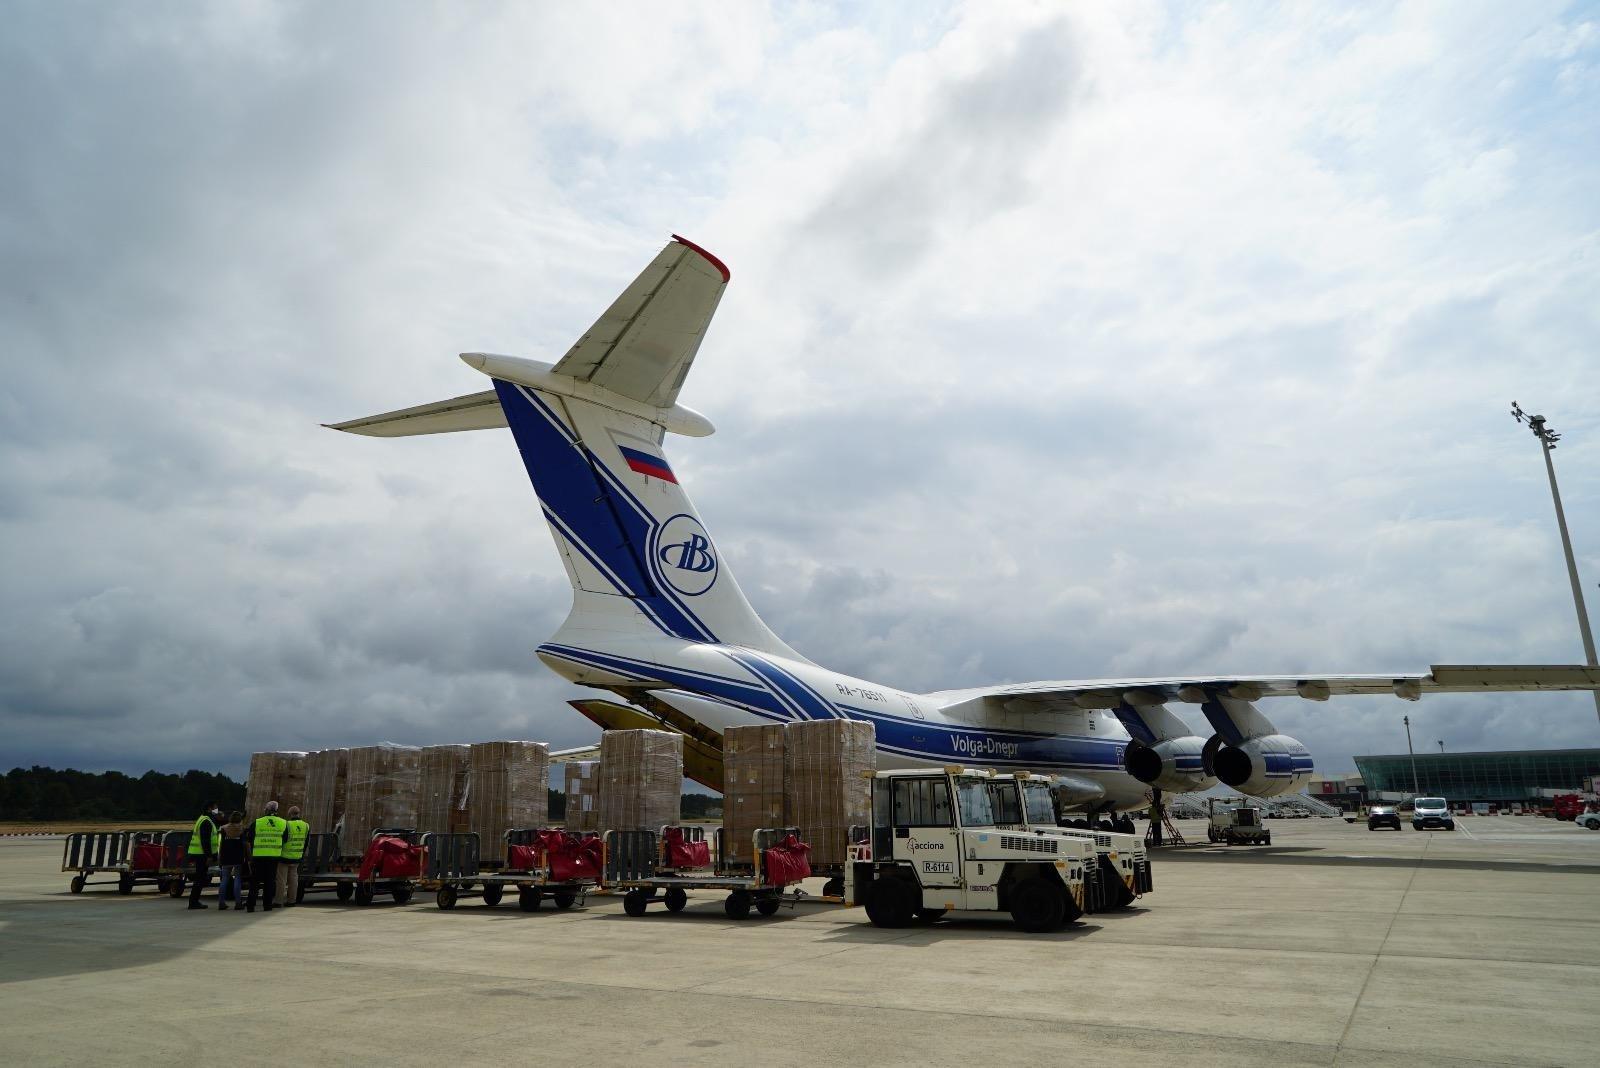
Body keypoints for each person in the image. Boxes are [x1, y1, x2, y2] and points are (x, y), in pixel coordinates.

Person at [243, 801, 287, 913]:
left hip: (258, 856)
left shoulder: (257, 822)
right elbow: (285, 839)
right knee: (270, 882)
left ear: (266, 810)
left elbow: (249, 839)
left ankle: (250, 906)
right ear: (276, 810)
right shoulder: (283, 823)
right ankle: (267, 905)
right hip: (273, 857)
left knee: (255, 882)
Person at [186, 801, 222, 910]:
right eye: (215, 808)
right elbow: (205, 840)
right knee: (200, 878)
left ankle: (194, 901)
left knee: (200, 878)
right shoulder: (206, 822)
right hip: (201, 854)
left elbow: (219, 821)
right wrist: (209, 856)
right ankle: (193, 902)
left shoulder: (205, 819)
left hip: (199, 853)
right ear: (209, 809)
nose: (217, 810)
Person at [276, 806, 309, 907]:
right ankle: (291, 901)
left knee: (281, 880)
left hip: (284, 856)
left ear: (289, 814)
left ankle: (278, 901)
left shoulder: (287, 824)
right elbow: (306, 842)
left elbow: (283, 840)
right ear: (299, 814)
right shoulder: (306, 825)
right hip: (297, 856)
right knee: (294, 879)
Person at [216, 811, 246, 911]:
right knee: (237, 879)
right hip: (238, 857)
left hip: (226, 857)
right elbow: (244, 844)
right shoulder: (242, 829)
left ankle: (221, 902)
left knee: (224, 879)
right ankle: (238, 903)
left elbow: (221, 844)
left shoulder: (223, 829)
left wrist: (219, 857)